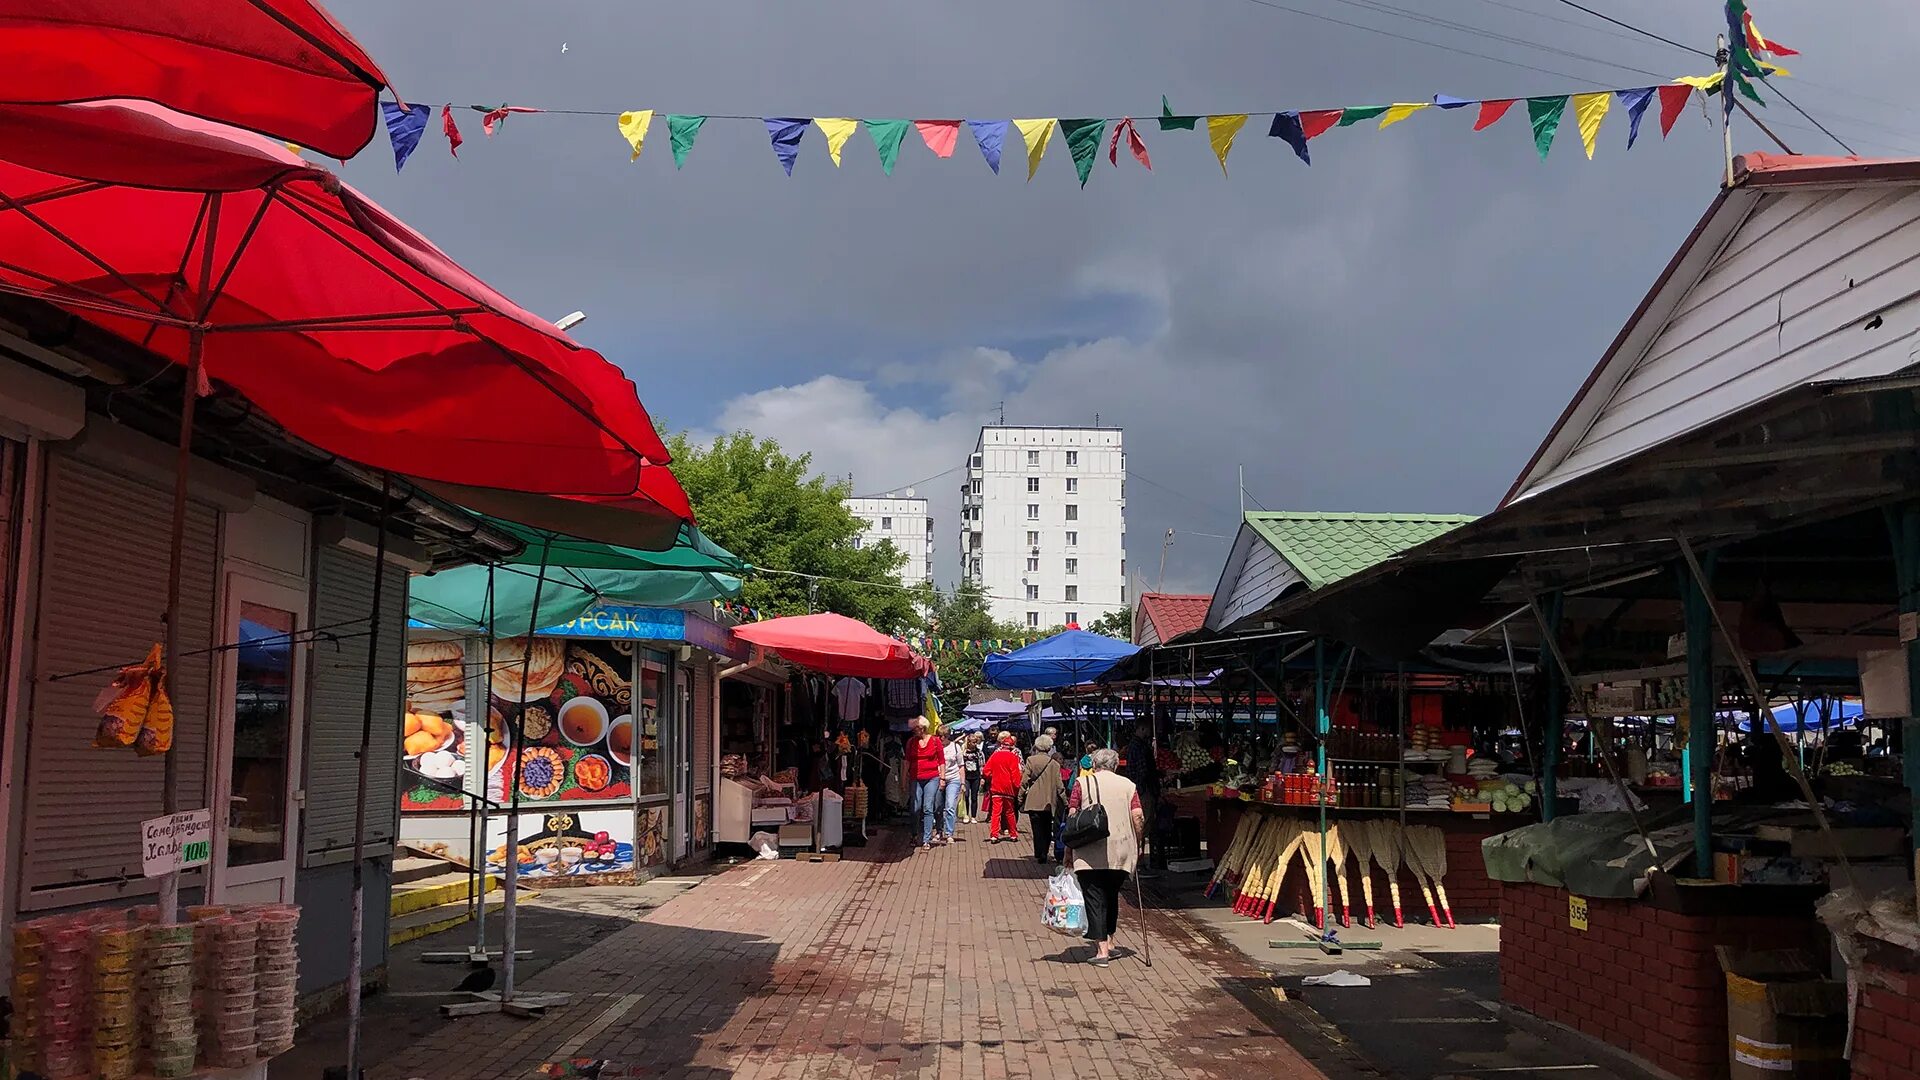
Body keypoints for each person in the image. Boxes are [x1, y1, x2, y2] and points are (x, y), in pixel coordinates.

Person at [1066, 748, 1145, 966]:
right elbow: (1137, 816)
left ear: (1094, 765)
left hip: (1089, 849)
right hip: (1120, 850)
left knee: (1094, 897)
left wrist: (1068, 850)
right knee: (1111, 896)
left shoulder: (1083, 783)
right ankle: (1109, 941)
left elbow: (1072, 814)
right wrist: (1138, 843)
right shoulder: (1129, 786)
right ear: (1116, 765)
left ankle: (1101, 951)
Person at [1021, 735, 1066, 864]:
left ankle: (1038, 851)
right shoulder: (1054, 764)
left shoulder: (1030, 760)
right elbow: (1059, 785)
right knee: (1047, 827)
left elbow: (1024, 780)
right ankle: (1044, 852)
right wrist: (1065, 800)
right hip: (1048, 800)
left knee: (1036, 828)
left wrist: (1020, 796)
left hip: (1033, 799)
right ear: (1049, 747)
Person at [906, 718, 945, 849]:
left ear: (922, 728)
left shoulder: (935, 741)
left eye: (915, 728)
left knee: (928, 807)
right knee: (915, 808)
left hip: (932, 777)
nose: (913, 731)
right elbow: (907, 761)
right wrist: (904, 779)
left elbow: (941, 760)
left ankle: (926, 839)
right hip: (915, 777)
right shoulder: (911, 742)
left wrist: (943, 779)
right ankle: (914, 834)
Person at [981, 732, 1024, 843]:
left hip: (996, 786)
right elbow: (1015, 774)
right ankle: (1013, 834)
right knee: (1010, 812)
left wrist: (993, 776)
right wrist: (1017, 786)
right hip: (1008, 788)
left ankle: (994, 835)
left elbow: (986, 771)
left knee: (996, 812)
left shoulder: (995, 755)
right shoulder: (1013, 757)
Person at [939, 731, 965, 842]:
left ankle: (949, 833)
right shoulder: (935, 746)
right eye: (939, 735)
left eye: (944, 736)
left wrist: (963, 783)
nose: (941, 738)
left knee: (950, 806)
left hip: (953, 779)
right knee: (937, 807)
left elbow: (961, 766)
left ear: (948, 736)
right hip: (938, 778)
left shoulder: (955, 747)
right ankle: (939, 831)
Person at [962, 733, 985, 823]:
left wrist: (982, 777)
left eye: (976, 742)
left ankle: (974, 816)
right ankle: (966, 814)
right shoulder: (963, 752)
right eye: (973, 742)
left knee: (974, 797)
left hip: (976, 777)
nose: (975, 744)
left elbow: (982, 765)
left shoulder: (979, 752)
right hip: (966, 777)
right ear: (968, 742)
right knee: (966, 795)